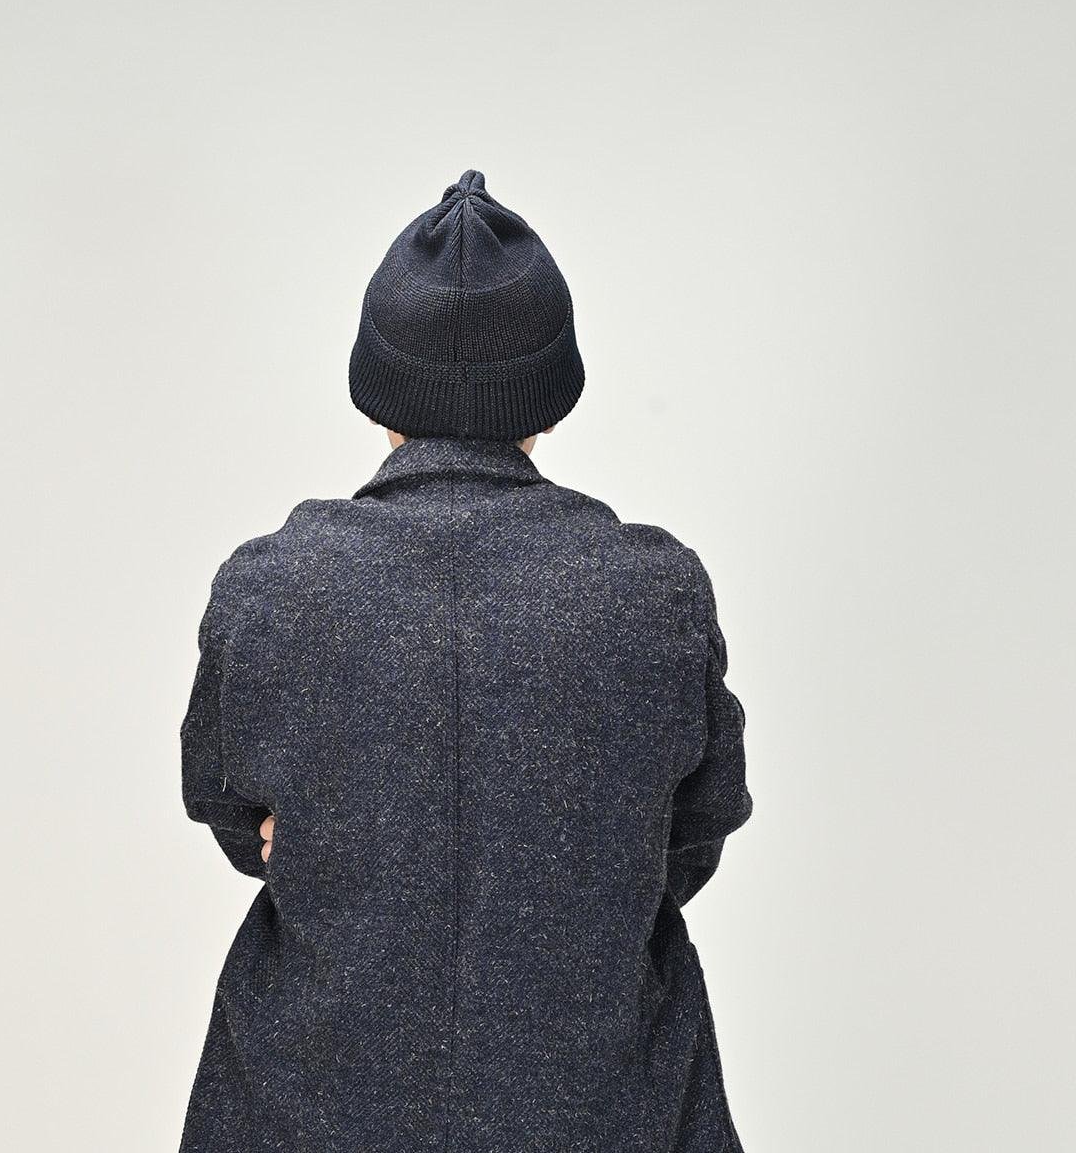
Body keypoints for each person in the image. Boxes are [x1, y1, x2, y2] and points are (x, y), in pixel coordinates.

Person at [177, 170, 753, 1152]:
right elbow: (697, 829)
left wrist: (343, 840)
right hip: (603, 1111)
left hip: (308, 1109)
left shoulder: (269, 585)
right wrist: (580, 857)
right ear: (551, 400)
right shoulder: (655, 591)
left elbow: (227, 808)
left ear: (377, 391)